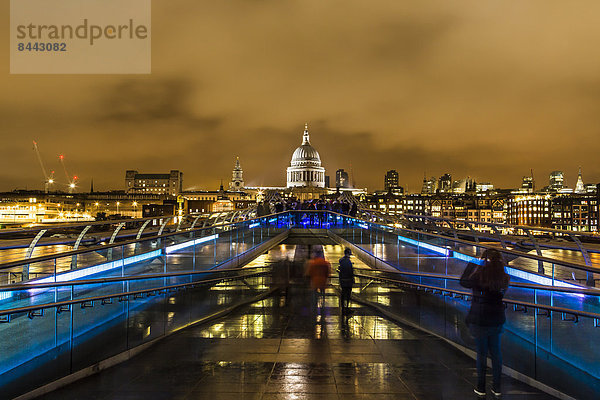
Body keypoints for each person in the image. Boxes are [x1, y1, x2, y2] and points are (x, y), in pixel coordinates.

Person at [460, 248, 510, 398]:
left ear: (484, 261)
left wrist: (474, 263)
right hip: (497, 318)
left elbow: (463, 282)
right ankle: (497, 387)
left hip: (480, 318)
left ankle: (481, 387)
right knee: (496, 353)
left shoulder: (479, 276)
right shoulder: (504, 277)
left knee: (481, 354)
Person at [306, 247, 331, 314]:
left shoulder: (313, 263)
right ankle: (322, 303)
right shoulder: (325, 263)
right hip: (323, 280)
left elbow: (310, 272)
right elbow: (327, 272)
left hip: (315, 280)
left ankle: (315, 304)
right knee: (322, 292)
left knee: (314, 293)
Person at [338, 247, 354, 315]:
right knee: (348, 294)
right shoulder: (348, 262)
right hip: (348, 280)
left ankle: (342, 307)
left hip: (342, 280)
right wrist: (352, 279)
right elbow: (350, 271)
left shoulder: (341, 261)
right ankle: (347, 308)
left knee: (343, 293)